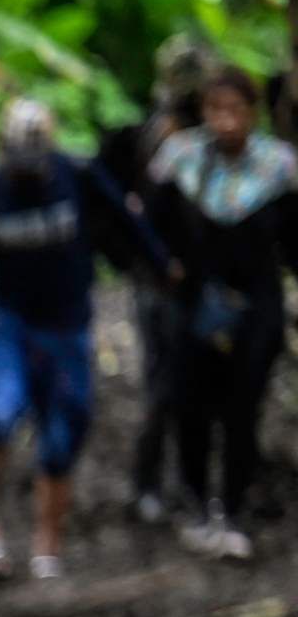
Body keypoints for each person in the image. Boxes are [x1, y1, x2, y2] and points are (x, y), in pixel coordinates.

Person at [0, 97, 172, 579]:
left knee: (61, 434)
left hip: (68, 328)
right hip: (12, 324)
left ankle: (47, 543)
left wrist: (163, 267)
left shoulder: (79, 176)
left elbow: (127, 223)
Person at [154, 66, 297, 561]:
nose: (225, 122)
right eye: (216, 110)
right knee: (190, 404)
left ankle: (233, 510)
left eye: (235, 110)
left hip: (256, 301)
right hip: (194, 301)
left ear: (252, 114)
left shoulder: (278, 169)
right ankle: (197, 504)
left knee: (243, 407)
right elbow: (152, 228)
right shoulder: (181, 161)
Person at [104, 39, 221, 522]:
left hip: (188, 280)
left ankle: (181, 485)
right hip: (162, 283)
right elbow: (144, 215)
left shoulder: (198, 132)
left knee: (193, 385)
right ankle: (150, 486)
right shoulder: (166, 136)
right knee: (165, 386)